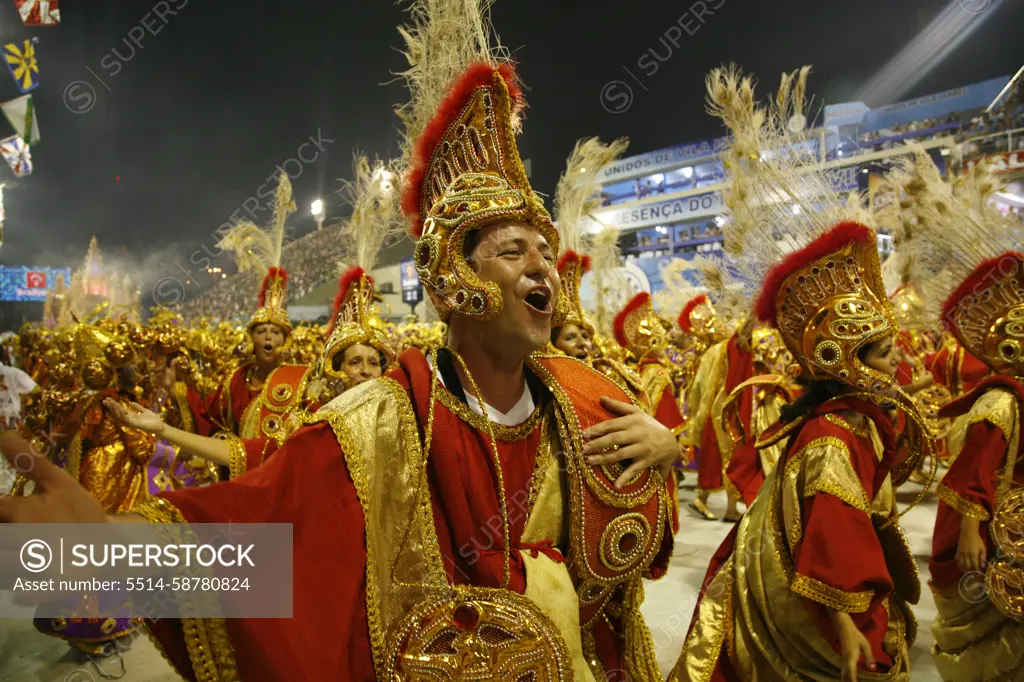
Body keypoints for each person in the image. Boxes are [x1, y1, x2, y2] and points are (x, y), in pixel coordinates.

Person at [0, 2, 681, 678]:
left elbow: (637, 563)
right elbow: (264, 524)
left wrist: (668, 448)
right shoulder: (378, 424)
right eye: (512, 250)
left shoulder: (587, 400)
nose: (541, 266)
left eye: (543, 249)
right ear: (453, 280)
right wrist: (106, 546)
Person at [671, 65, 926, 682]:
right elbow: (832, 540)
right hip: (821, 609)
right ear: (841, 360)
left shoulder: (847, 421)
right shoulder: (832, 438)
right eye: (884, 353)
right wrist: (843, 623)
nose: (900, 365)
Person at [0, 353, 36, 495]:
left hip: (10, 427)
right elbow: (37, 391)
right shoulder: (14, 374)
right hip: (12, 427)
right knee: (11, 465)